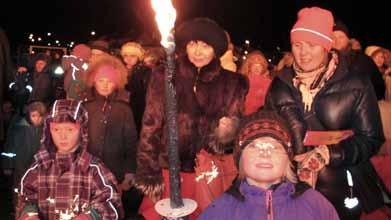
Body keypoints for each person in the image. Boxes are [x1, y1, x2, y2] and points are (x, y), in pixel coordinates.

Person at [266, 7, 388, 219]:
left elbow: (371, 138)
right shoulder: (279, 85)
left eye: (311, 45)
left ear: (325, 46)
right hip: (291, 185)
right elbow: (268, 129)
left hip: (343, 184)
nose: (303, 53)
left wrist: (330, 153)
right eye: (297, 45)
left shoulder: (356, 83)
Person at [134, 17, 248, 219]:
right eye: (193, 44)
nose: (197, 51)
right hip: (169, 169)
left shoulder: (232, 83)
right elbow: (151, 125)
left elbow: (232, 135)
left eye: (205, 45)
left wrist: (226, 133)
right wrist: (149, 170)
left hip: (209, 170)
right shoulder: (165, 75)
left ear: (216, 50)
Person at [199, 111, 339, 220]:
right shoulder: (219, 211)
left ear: (288, 159)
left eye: (275, 147)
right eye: (254, 146)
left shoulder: (316, 205)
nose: (265, 153)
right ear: (240, 157)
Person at [16, 99, 123, 220]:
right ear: (48, 131)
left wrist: (91, 216)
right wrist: (29, 214)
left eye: (70, 130)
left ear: (82, 131)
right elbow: (25, 197)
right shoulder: (39, 167)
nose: (62, 136)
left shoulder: (94, 169)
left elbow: (111, 202)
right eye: (56, 130)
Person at [82, 54, 139, 219]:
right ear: (93, 81)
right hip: (88, 170)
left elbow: (131, 142)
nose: (105, 85)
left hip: (115, 171)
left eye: (110, 81)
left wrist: (129, 172)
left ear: (117, 83)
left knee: (113, 211)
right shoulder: (85, 106)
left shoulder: (124, 109)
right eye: (101, 80)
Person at [332, 21, 385, 100]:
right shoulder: (325, 60)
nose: (337, 41)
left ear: (348, 39)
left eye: (341, 37)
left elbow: (379, 88)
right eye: (333, 37)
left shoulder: (362, 60)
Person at [120, 42, 152, 135]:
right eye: (125, 55)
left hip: (138, 108)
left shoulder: (144, 71)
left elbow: (141, 90)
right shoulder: (120, 68)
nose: (128, 58)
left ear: (138, 56)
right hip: (123, 107)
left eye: (132, 56)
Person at [239, 50, 272, 115]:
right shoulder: (241, 80)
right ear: (249, 66)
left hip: (258, 118)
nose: (257, 68)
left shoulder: (268, 83)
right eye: (254, 65)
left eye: (259, 65)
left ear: (263, 67)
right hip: (241, 116)